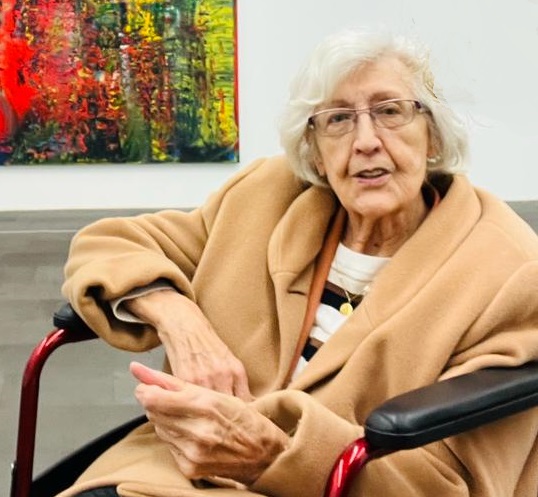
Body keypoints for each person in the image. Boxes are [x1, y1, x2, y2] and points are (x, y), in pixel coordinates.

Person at [57, 28, 538, 497]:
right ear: (316, 151)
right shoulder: (266, 195)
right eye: (338, 119)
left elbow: (451, 484)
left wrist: (270, 456)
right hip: (172, 470)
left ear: (432, 135)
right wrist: (179, 319)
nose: (366, 141)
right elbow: (109, 244)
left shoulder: (510, 271)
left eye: (390, 111)